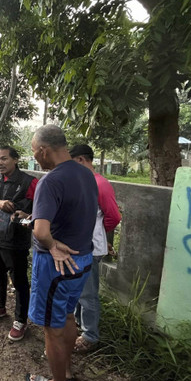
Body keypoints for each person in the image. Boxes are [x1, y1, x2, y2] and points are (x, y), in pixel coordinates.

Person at [24, 124, 98, 381]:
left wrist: (52, 246)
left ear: (43, 150)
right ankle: (65, 370)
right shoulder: (86, 174)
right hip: (83, 260)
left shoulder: (50, 181)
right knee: (67, 316)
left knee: (51, 328)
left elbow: (41, 232)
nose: (35, 157)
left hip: (58, 266)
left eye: (34, 152)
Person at [0, 146, 38, 341]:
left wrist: (27, 216)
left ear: (15, 159)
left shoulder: (30, 182)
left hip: (17, 240)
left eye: (4, 159)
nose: (0, 163)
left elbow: (41, 210)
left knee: (20, 280)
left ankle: (21, 320)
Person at [69, 144, 121, 353]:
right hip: (80, 246)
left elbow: (114, 216)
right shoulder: (82, 182)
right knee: (78, 291)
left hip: (90, 248)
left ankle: (90, 335)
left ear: (81, 160)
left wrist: (100, 236)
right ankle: (80, 326)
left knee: (87, 294)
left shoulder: (100, 184)